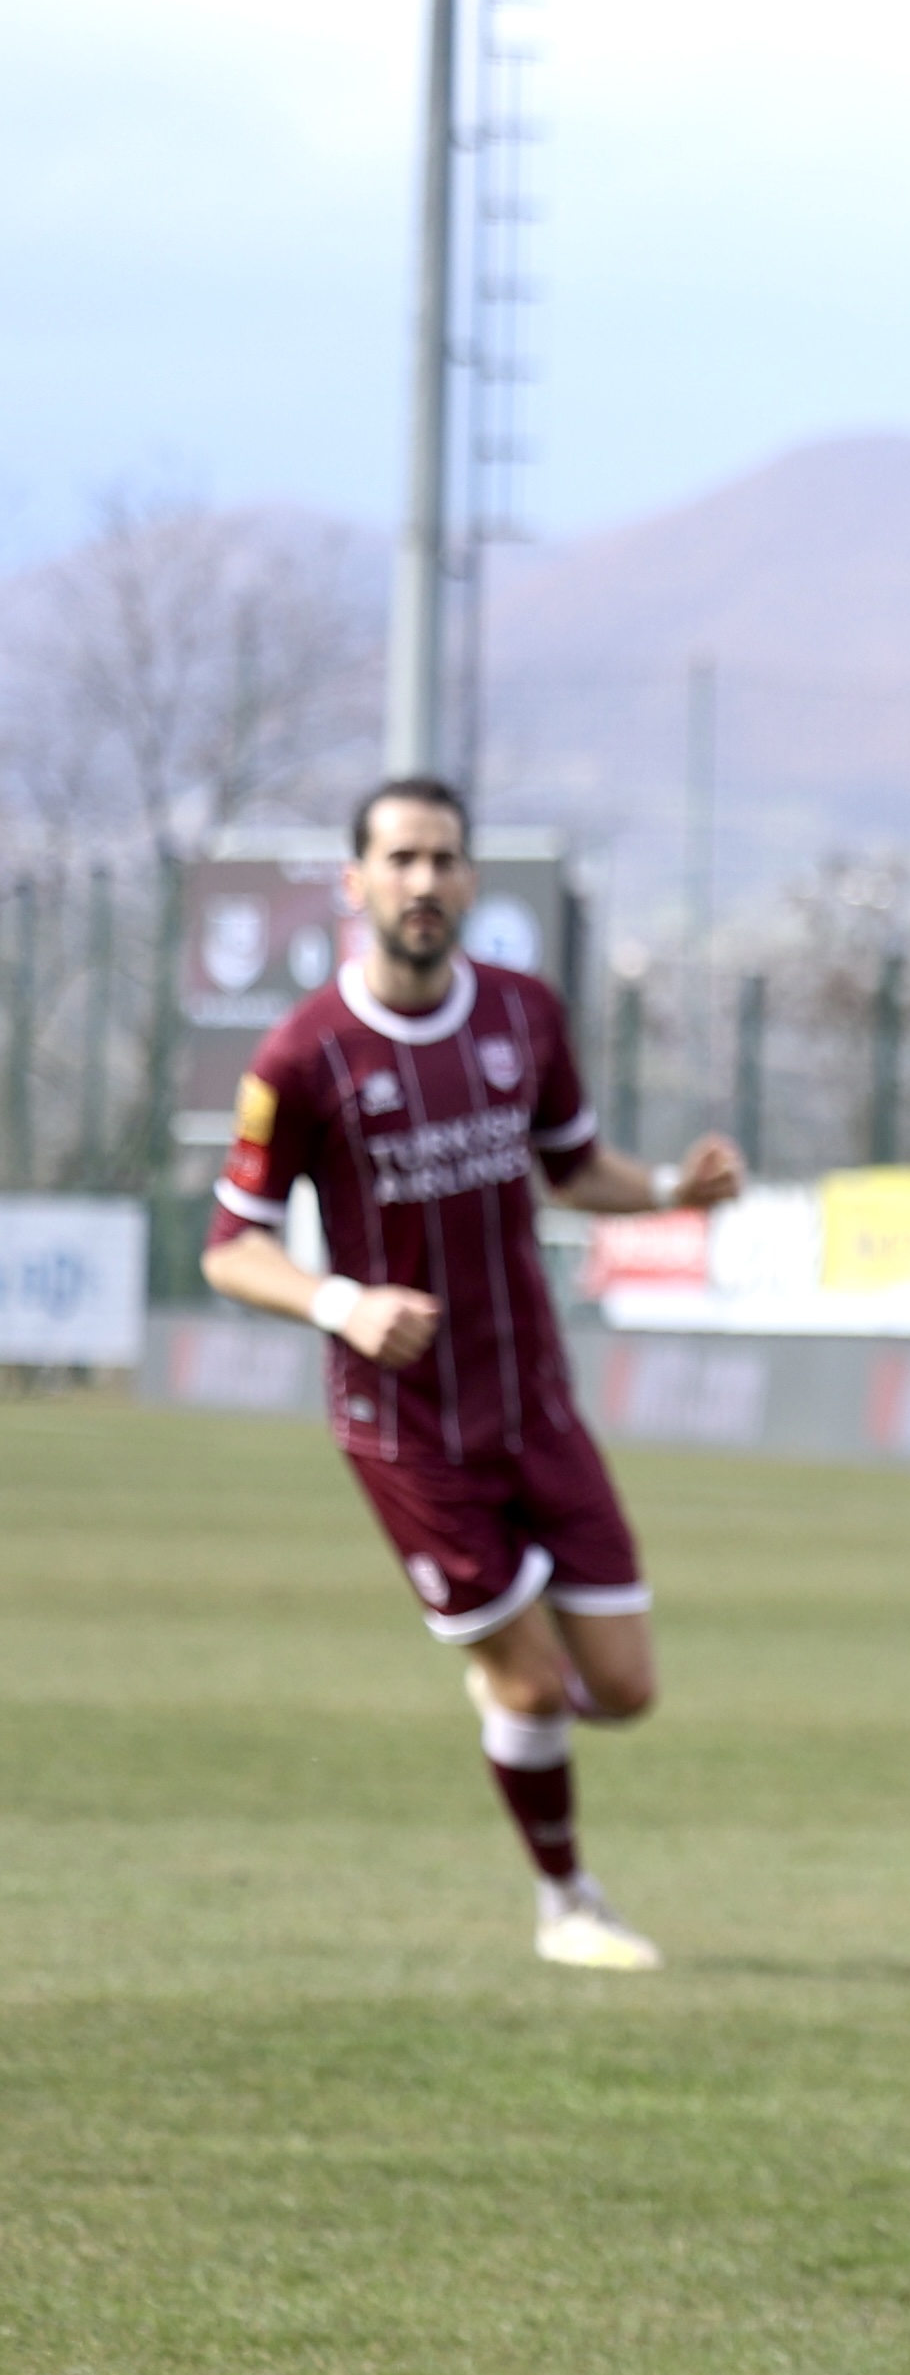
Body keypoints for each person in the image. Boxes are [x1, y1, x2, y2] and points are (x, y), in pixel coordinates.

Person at [197, 776, 746, 1969]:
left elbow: (570, 1166)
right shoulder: (303, 1060)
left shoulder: (522, 1016)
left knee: (628, 1687)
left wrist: (665, 1192)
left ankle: (512, 1669)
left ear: (469, 881)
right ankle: (569, 1904)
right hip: (410, 1430)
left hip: (536, 1403)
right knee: (538, 1690)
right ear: (356, 885)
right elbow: (230, 1250)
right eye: (399, 860)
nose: (424, 883)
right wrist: (342, 1303)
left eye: (444, 860)